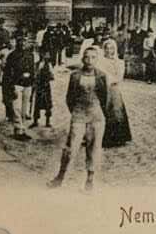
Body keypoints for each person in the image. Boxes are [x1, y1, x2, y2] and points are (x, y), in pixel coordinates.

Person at [47, 45, 108, 192]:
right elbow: (70, 98)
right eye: (87, 57)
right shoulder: (75, 75)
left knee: (94, 148)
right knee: (71, 148)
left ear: (97, 59)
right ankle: (60, 177)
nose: (89, 60)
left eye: (93, 57)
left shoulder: (101, 76)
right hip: (79, 115)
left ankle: (90, 179)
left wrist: (97, 111)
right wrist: (76, 112)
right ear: (82, 58)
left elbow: (104, 98)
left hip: (96, 117)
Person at [101, 38, 133, 147]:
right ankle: (104, 137)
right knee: (103, 111)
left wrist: (110, 79)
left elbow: (119, 77)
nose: (109, 51)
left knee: (116, 111)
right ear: (104, 49)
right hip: (104, 89)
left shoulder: (119, 62)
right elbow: (100, 74)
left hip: (114, 89)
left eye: (112, 48)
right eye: (107, 48)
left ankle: (118, 138)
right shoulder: (101, 61)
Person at [2, 33, 32, 141]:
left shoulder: (30, 55)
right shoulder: (12, 56)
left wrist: (31, 82)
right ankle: (18, 130)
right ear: (17, 42)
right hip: (16, 84)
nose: (23, 43)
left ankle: (23, 129)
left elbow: (32, 70)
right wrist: (12, 87)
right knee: (17, 108)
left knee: (24, 109)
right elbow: (8, 73)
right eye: (21, 41)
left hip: (27, 85)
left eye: (25, 41)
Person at [30, 44, 54, 128]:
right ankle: (35, 121)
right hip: (39, 85)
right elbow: (34, 74)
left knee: (48, 103)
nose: (45, 55)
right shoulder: (37, 64)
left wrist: (48, 76)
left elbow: (52, 76)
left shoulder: (49, 65)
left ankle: (48, 121)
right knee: (37, 103)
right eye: (43, 54)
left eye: (46, 54)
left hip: (46, 85)